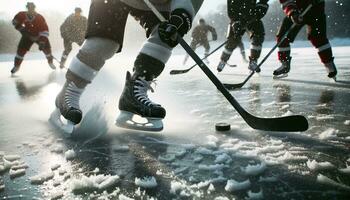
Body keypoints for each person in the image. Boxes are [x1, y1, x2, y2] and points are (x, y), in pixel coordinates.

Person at [51, 0, 203, 132]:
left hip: (160, 5)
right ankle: (69, 92)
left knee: (167, 34)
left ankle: (133, 94)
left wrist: (181, 16)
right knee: (104, 44)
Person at [273, 0, 337, 79]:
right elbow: (286, 1)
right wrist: (292, 12)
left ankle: (328, 63)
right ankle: (285, 64)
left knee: (318, 38)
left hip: (316, 10)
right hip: (297, 11)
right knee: (282, 36)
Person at [217, 0, 269, 72]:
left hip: (252, 18)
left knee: (258, 36)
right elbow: (230, 9)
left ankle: (253, 61)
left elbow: (262, 2)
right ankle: (223, 60)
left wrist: (262, 4)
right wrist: (235, 21)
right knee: (232, 40)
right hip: (237, 19)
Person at [11, 2, 55, 74]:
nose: (30, 10)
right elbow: (14, 22)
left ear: (34, 8)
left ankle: (50, 62)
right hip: (27, 36)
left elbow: (45, 29)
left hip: (40, 36)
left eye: (32, 8)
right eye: (29, 8)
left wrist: (42, 42)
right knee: (20, 51)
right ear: (27, 8)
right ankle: (16, 66)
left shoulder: (39, 17)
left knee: (47, 50)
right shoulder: (21, 14)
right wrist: (21, 29)